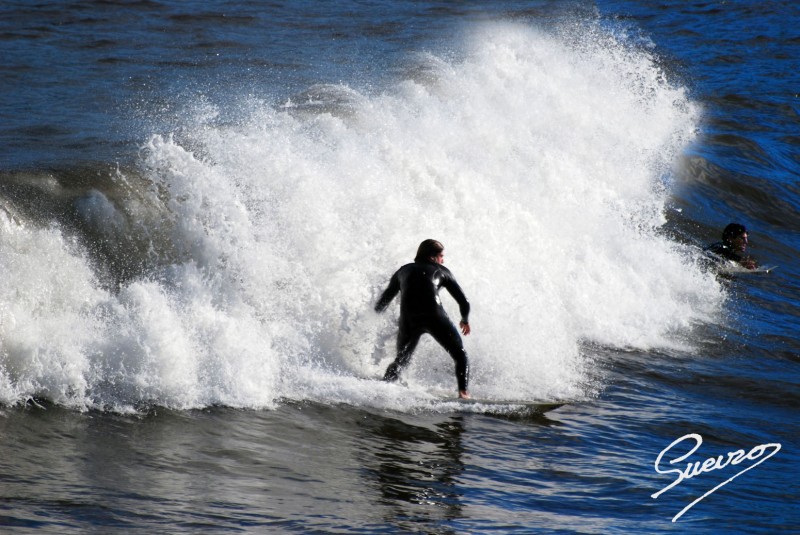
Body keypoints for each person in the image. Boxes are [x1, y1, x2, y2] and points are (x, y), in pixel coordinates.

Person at [374, 239, 472, 399]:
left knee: (401, 360)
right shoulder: (442, 270)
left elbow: (385, 299)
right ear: (432, 257)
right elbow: (464, 301)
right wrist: (465, 320)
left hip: (409, 319)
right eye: (441, 256)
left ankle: (382, 390)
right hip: (435, 317)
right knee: (460, 354)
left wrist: (372, 317)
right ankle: (463, 393)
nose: (443, 260)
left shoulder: (403, 271)